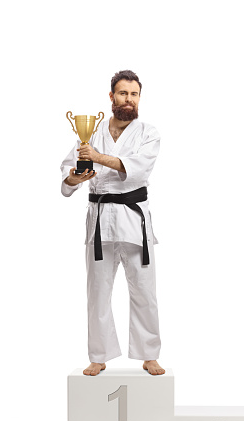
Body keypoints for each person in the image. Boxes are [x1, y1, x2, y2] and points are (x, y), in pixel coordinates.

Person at [60, 70, 165, 376]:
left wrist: (97, 157)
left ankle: (149, 354)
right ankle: (99, 354)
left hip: (134, 221)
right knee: (98, 291)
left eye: (134, 94)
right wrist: (75, 177)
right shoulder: (92, 132)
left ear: (139, 98)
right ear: (111, 97)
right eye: (123, 94)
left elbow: (137, 170)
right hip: (100, 221)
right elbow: (68, 173)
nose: (128, 100)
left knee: (144, 291)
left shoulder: (149, 133)